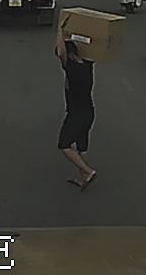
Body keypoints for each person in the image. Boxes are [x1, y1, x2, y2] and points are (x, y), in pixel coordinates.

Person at [54, 35, 98, 190]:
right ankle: (85, 176)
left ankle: (88, 171)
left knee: (64, 144)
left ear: (71, 55)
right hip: (88, 112)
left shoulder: (72, 69)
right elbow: (92, 46)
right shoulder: (87, 65)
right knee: (82, 147)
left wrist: (60, 29)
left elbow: (61, 52)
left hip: (76, 115)